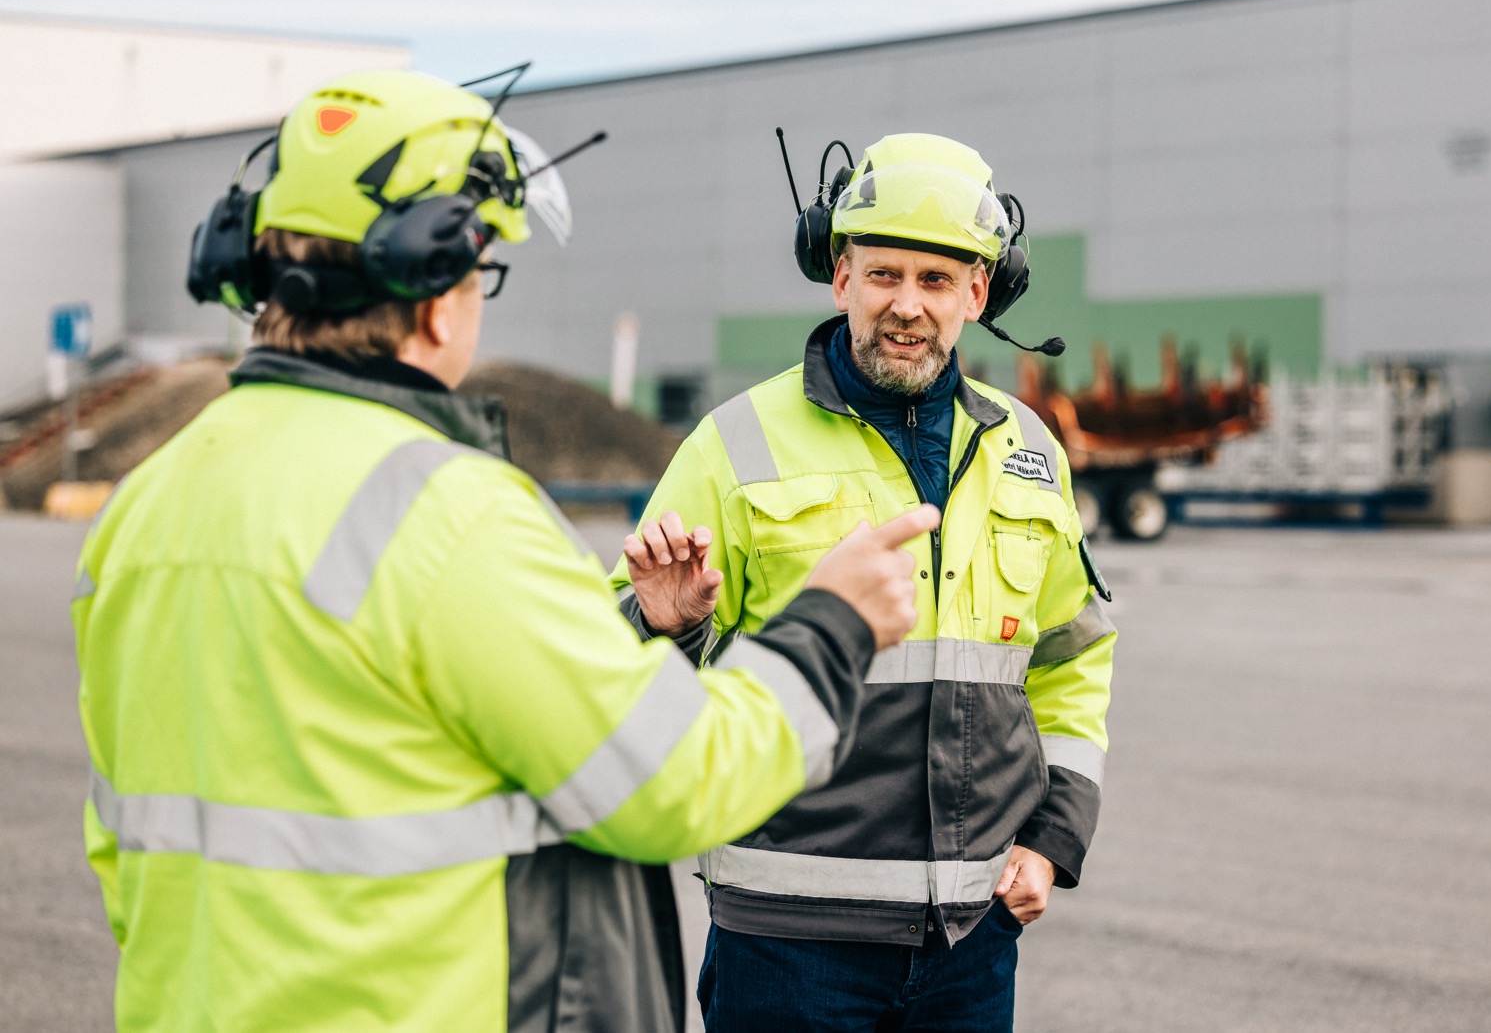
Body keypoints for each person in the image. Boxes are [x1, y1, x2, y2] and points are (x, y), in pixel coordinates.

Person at [71, 69, 940, 1033]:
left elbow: (122, 847)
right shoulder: (441, 511)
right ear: (442, 298)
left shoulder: (146, 500)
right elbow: (673, 783)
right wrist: (829, 625)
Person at [617, 132, 1117, 1031]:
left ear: (980, 290)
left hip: (974, 940)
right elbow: (604, 665)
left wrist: (1052, 839)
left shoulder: (1030, 451)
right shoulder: (735, 445)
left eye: (936, 281)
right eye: (883, 275)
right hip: (788, 942)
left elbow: (1071, 660)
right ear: (839, 277)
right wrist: (664, 625)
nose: (907, 307)